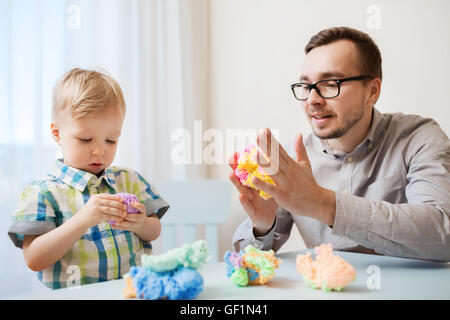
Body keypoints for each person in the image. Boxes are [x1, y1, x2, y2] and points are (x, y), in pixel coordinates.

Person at [230, 26, 450, 262]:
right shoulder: (295, 162)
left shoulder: (419, 138)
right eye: (306, 86)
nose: (312, 100)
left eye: (330, 83)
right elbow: (247, 263)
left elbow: (442, 233)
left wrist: (324, 204)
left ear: (372, 91)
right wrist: (262, 227)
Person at [8, 68, 169, 289]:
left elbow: (154, 230)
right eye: (85, 139)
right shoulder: (42, 192)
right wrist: (83, 219)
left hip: (130, 292)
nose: (99, 151)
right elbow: (34, 259)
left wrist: (141, 224)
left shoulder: (129, 179)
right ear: (57, 133)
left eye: (111, 140)